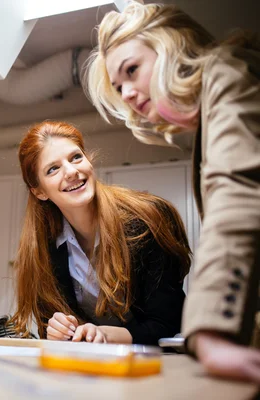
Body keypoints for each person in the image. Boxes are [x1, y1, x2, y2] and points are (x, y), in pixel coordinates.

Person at [85, 1, 260, 382]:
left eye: (132, 70)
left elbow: (239, 194)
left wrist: (211, 328)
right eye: (119, 87)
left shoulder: (226, 72)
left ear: (170, 45)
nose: (128, 93)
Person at [10, 121, 191, 345]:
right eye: (53, 169)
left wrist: (105, 334)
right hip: (90, 368)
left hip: (159, 363)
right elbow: (50, 324)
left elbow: (167, 322)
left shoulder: (148, 219)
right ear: (39, 191)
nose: (71, 171)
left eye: (76, 157)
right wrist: (57, 330)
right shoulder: (43, 248)